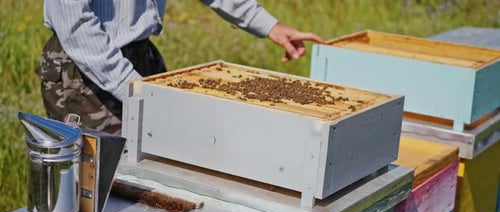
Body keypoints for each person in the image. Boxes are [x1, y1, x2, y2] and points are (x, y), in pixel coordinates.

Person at [36, 1, 324, 135]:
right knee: (101, 186)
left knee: (152, 167)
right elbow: (75, 25)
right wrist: (136, 89)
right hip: (85, 68)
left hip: (140, 55)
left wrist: (268, 24)